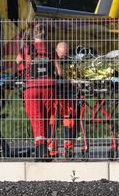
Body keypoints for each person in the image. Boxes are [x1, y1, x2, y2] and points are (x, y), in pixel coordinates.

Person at [16, 24, 58, 160]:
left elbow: (18, 62)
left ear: (33, 35)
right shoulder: (51, 50)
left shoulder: (26, 49)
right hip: (49, 87)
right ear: (45, 35)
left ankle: (41, 151)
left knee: (36, 119)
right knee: (46, 118)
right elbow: (59, 71)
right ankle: (44, 149)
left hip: (32, 88)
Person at [49, 41, 78, 159]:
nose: (63, 58)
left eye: (65, 55)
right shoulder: (51, 62)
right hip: (55, 96)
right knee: (52, 120)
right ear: (56, 53)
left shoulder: (72, 62)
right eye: (61, 55)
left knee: (69, 120)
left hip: (68, 95)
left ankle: (68, 148)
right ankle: (52, 149)